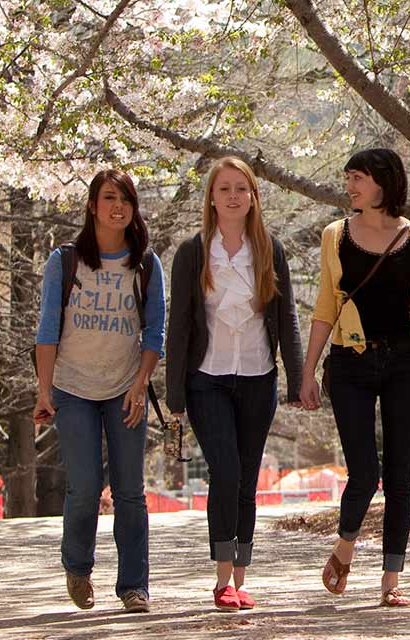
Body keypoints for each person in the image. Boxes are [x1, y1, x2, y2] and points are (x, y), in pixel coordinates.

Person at [300, 148, 410, 607]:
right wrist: (307, 371)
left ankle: (391, 581)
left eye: (358, 178)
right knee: (365, 472)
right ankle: (345, 547)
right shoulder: (336, 235)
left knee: (400, 476)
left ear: (384, 183)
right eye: (348, 177)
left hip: (404, 363)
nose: (350, 186)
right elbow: (325, 307)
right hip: (349, 363)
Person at [164, 157, 304, 611]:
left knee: (246, 480)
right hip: (207, 379)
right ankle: (222, 578)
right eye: (224, 189)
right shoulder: (192, 251)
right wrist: (174, 394)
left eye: (241, 189)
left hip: (258, 378)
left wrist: (299, 379)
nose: (232, 196)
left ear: (253, 197)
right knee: (224, 472)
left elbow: (287, 319)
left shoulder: (268, 248)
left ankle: (241, 578)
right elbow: (179, 324)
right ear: (211, 196)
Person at [33, 169, 165, 613]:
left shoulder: (146, 263)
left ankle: (134, 586)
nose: (118, 207)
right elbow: (47, 328)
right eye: (109, 197)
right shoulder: (65, 261)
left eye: (126, 199)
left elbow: (154, 332)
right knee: (85, 486)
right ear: (92, 205)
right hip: (73, 388)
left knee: (130, 489)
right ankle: (78, 567)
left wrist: (141, 382)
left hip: (126, 388)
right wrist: (44, 390)